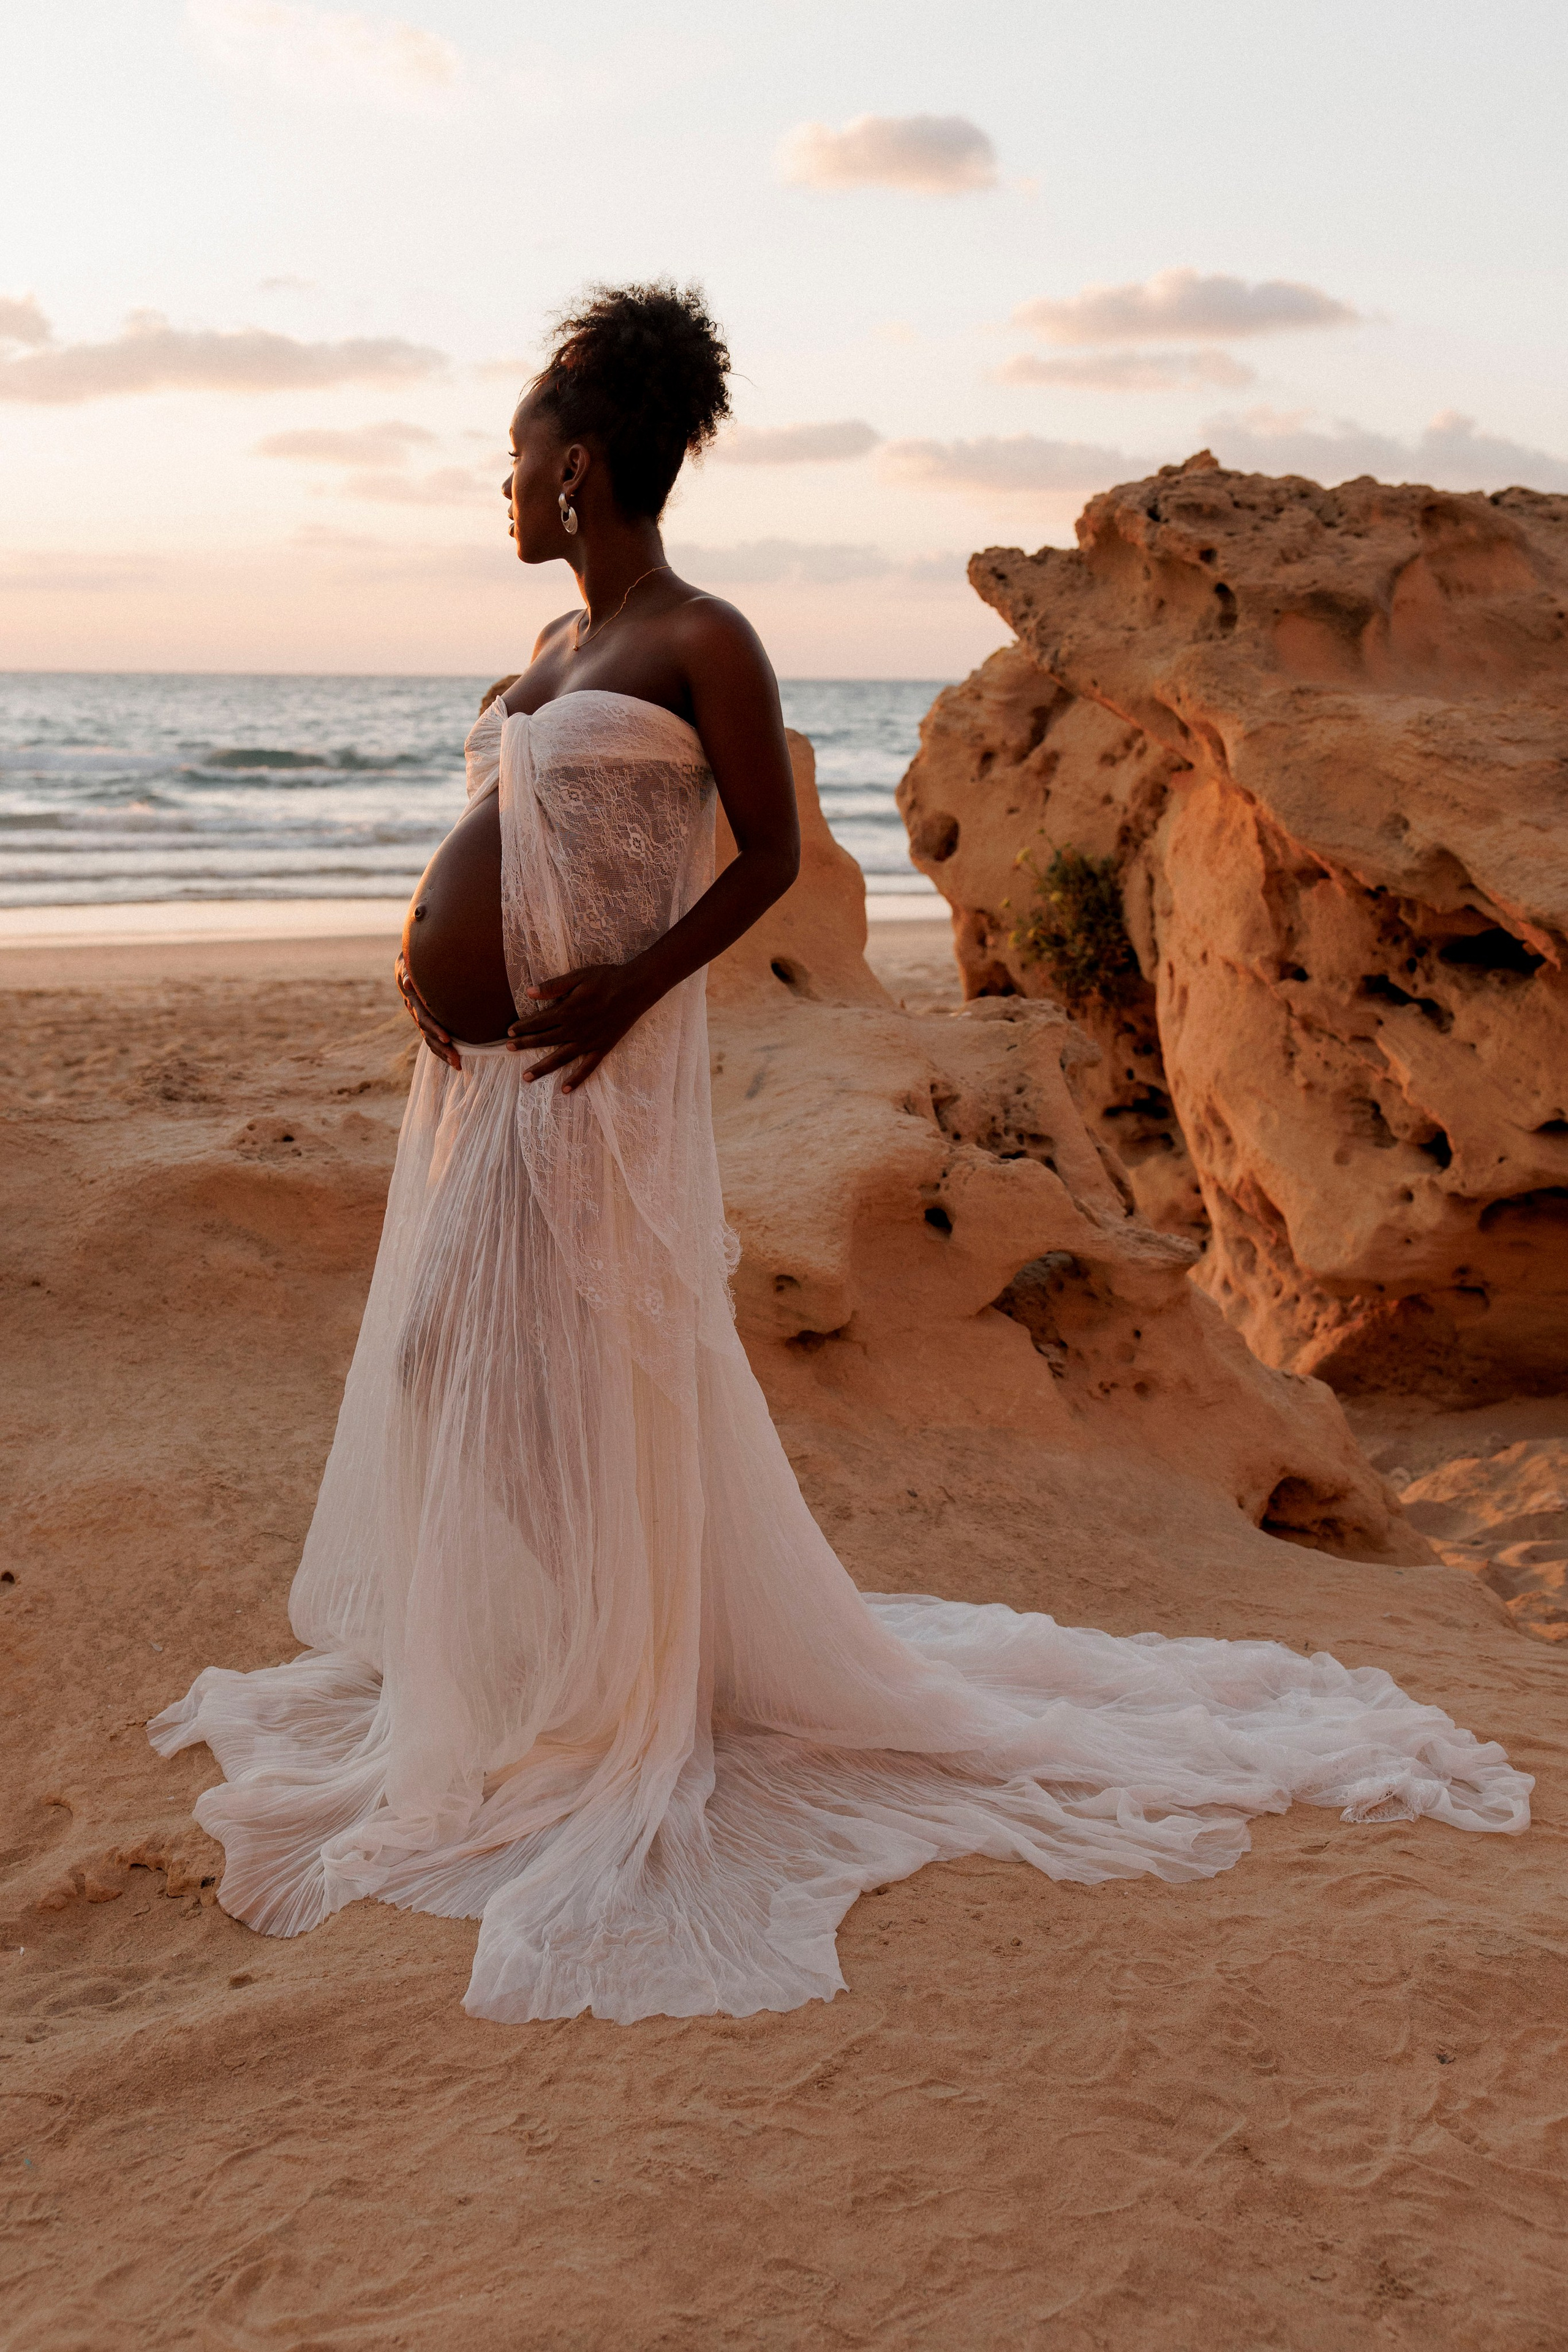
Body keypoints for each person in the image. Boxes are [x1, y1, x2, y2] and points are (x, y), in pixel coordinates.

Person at [150, 283, 1531, 2026]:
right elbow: (499, 834)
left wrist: (629, 987)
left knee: (560, 1359)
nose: (499, 492)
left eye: (515, 463)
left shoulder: (699, 636)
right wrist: (421, 966)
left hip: (591, 1069)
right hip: (492, 1075)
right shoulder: (558, 655)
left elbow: (765, 854)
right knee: (461, 1357)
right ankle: (534, 1669)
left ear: (580, 467)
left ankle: (604, 1690)